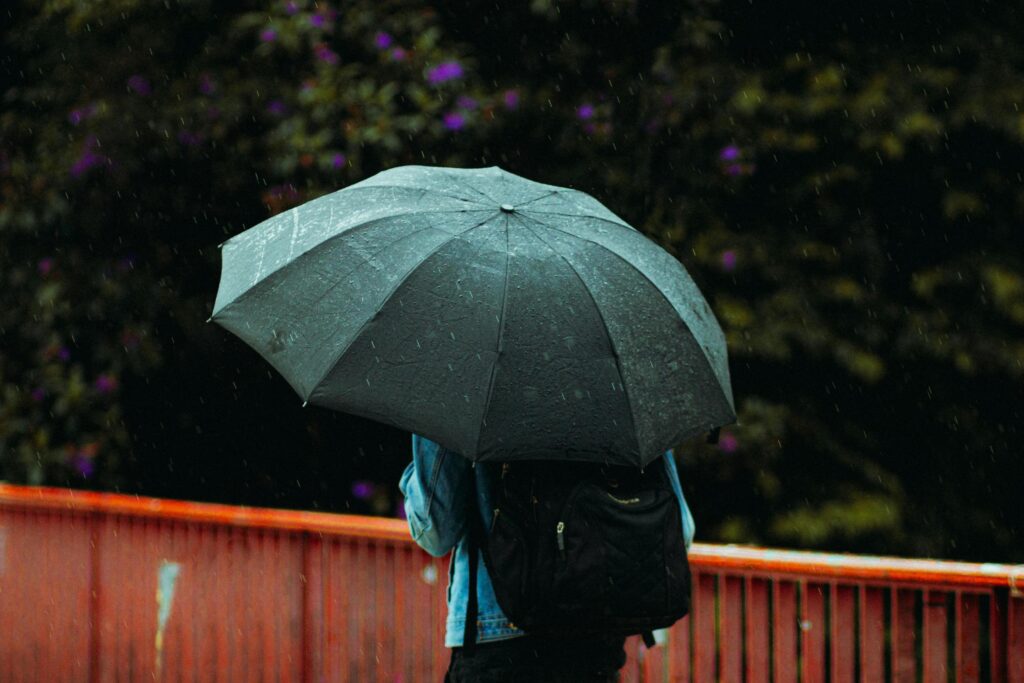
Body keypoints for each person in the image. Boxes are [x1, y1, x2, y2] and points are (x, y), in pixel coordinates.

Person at [399, 434, 696, 682]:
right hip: (595, 644)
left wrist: (415, 475)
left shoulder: (466, 374)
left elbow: (435, 530)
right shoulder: (621, 377)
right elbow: (682, 529)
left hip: (500, 641)